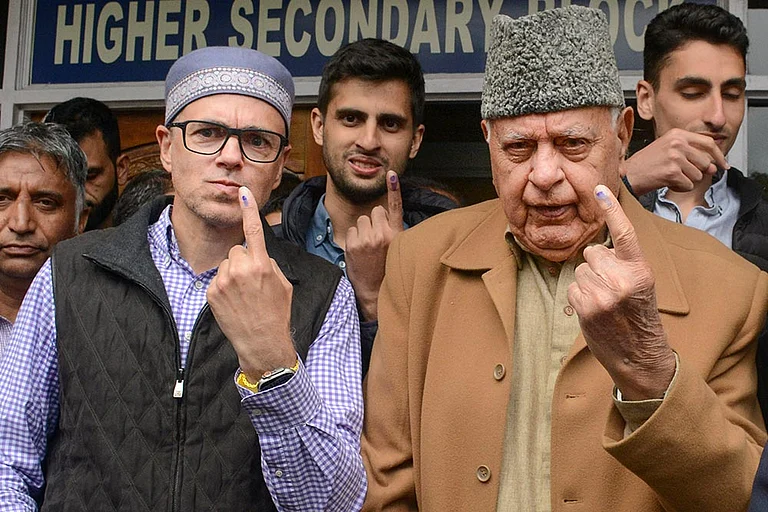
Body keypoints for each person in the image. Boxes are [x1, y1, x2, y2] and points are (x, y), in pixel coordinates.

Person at [361, 7, 767, 512]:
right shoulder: (419, 262)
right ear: (487, 140)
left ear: (621, 135)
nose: (545, 173)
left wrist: (651, 374)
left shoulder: (732, 288)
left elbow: (738, 495)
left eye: (573, 144)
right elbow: (387, 481)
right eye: (519, 147)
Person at [0, 47, 365, 511]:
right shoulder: (72, 270)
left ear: (280, 166)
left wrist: (273, 359)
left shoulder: (322, 293)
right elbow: (8, 461)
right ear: (167, 148)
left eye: (256, 140)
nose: (230, 156)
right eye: (207, 133)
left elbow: (330, 503)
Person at [280, 38, 457, 374]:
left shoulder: (449, 258)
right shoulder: (272, 250)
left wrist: (376, 298)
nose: (369, 141)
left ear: (415, 140)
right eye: (351, 118)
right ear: (319, 126)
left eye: (390, 124)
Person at [622, 3, 768, 271]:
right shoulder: (614, 193)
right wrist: (625, 180)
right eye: (693, 92)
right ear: (646, 100)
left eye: (732, 94)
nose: (718, 116)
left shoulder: (762, 221)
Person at [0, 122, 88, 357]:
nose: (20, 224)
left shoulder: (105, 320)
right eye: (2, 200)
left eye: (45, 202)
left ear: (81, 219)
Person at [44, 97, 130, 231]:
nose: (76, 192)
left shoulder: (147, 245)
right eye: (62, 178)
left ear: (121, 169)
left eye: (89, 176)